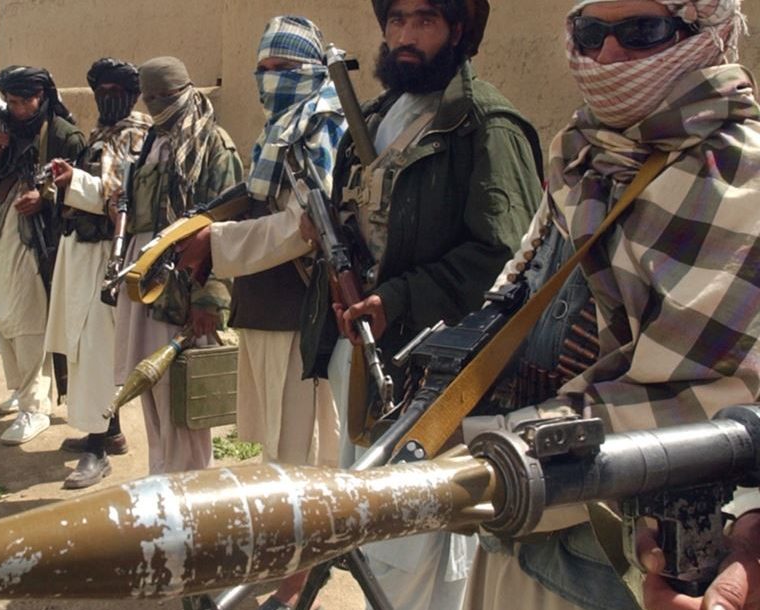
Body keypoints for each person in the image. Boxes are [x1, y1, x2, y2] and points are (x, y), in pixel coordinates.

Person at [461, 2, 760, 610]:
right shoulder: (581, 158)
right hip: (520, 534)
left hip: (627, 566)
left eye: (642, 32)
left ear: (714, 34)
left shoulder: (740, 181)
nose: (608, 57)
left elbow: (690, 410)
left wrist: (469, 464)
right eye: (591, 33)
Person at [305, 0, 543, 608]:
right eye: (396, 21)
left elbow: (506, 256)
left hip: (434, 368)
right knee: (372, 518)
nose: (405, 37)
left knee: (419, 539)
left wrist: (401, 297)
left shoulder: (486, 125)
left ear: (459, 32)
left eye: (425, 22)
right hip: (363, 352)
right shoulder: (380, 115)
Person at [175, 16, 345, 609]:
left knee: (300, 452)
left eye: (284, 70)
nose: (269, 81)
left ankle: (299, 575)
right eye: (263, 69)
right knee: (278, 450)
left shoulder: (322, 124)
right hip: (269, 312)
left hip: (304, 317)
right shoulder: (282, 130)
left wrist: (217, 245)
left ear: (313, 72)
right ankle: (291, 564)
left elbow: (307, 226)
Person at [115, 56, 242, 475]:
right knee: (151, 390)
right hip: (146, 284)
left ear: (185, 90)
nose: (155, 104)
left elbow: (227, 225)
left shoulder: (213, 146)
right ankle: (162, 479)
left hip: (185, 286)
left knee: (181, 398)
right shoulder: (152, 142)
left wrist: (210, 300)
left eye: (164, 96)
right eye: (148, 97)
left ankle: (190, 491)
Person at [46, 58, 151, 489]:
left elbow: (123, 197)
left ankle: (97, 447)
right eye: (100, 90)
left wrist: (76, 181)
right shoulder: (101, 134)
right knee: (75, 340)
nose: (107, 97)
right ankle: (110, 430)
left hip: (109, 251)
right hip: (78, 250)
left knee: (95, 348)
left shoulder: (137, 134)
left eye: (115, 89)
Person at [0, 66, 84, 445]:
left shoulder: (63, 136)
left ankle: (35, 407)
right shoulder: (3, 131)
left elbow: (86, 187)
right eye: (10, 101)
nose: (16, 108)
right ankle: (22, 391)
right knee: (4, 318)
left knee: (28, 321)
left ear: (42, 97)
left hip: (36, 243)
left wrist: (46, 197)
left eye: (23, 101)